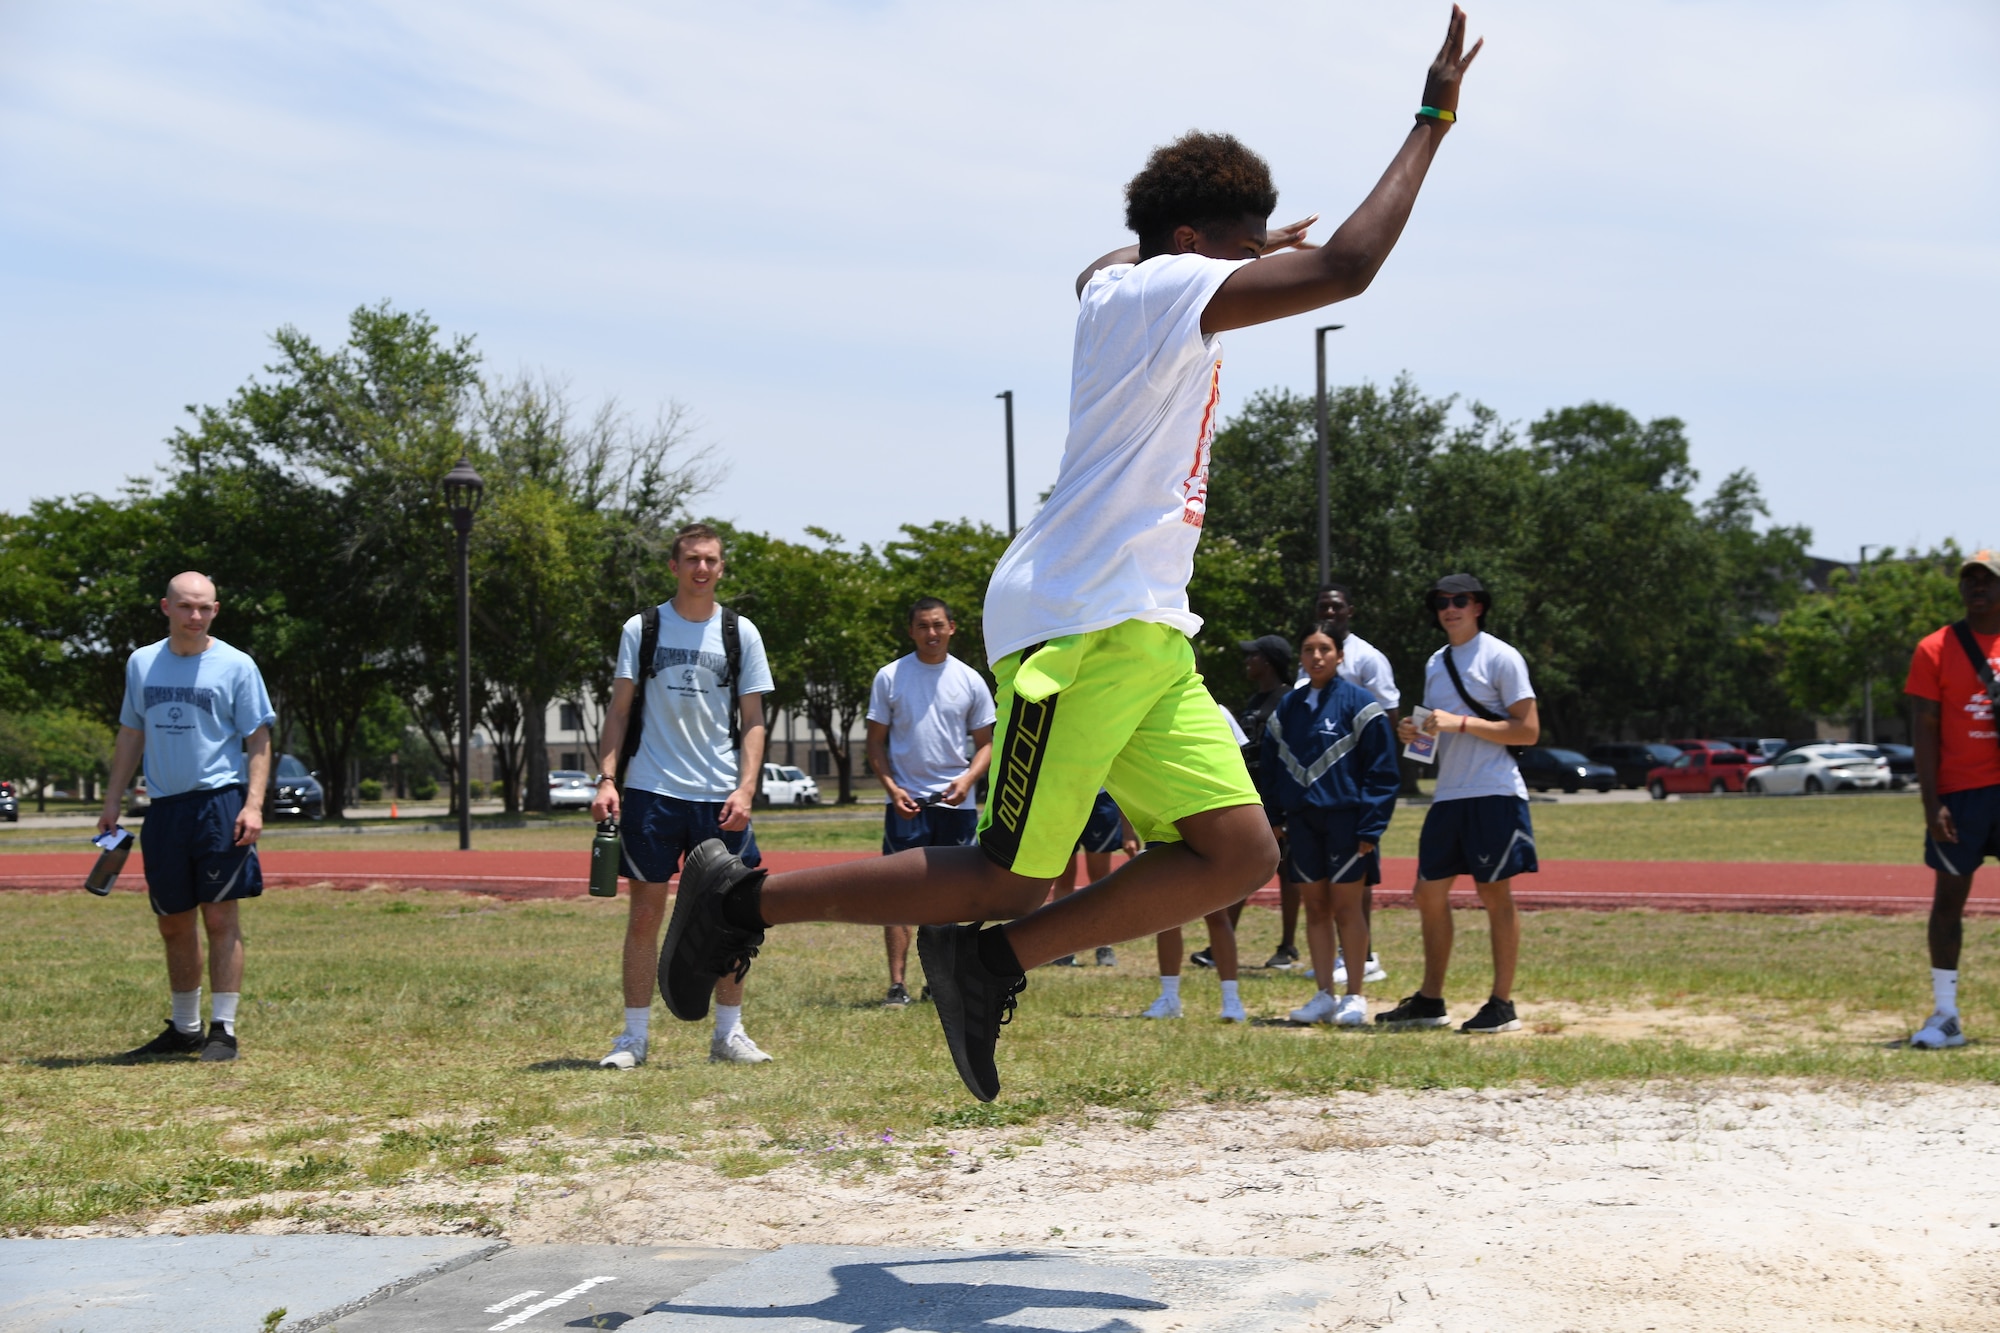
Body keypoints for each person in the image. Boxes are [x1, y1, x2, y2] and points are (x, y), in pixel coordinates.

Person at [655, 9, 1483, 1101]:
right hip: (1076, 626)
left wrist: (1244, 243)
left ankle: (985, 962)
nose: (1252, 280)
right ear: (1190, 248)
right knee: (1011, 869)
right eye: (1241, 253)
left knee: (1236, 853)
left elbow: (1102, 257)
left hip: (1144, 631)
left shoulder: (1121, 282)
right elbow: (1351, 267)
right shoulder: (1158, 289)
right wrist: (1429, 120)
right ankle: (738, 897)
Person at [590, 523, 776, 1068]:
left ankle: (729, 1034)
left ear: (721, 568)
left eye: (711, 560)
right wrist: (606, 778)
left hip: (720, 796)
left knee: (734, 915)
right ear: (673, 566)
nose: (701, 568)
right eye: (692, 559)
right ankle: (633, 1038)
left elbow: (754, 719)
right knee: (646, 914)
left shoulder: (742, 634)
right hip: (651, 790)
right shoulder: (642, 628)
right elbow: (618, 712)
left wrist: (746, 788)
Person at [101, 572, 275, 1063]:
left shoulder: (237, 665)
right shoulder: (142, 663)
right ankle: (184, 1029)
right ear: (166, 608)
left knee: (220, 916)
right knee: (172, 922)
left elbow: (258, 738)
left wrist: (254, 804)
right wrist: (112, 801)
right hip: (165, 808)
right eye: (185, 607)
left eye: (203, 608)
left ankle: (223, 1029)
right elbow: (130, 733)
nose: (194, 616)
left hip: (220, 803)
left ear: (215, 610)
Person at [1387, 573, 1538, 1034]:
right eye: (1440, 602)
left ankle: (1502, 1004)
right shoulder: (1436, 662)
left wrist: (1462, 723)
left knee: (1495, 895)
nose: (1449, 608)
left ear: (1478, 606)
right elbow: (1437, 732)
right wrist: (1415, 736)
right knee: (1427, 891)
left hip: (1494, 791)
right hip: (1449, 793)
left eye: (1459, 600)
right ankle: (1431, 1001)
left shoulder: (1501, 656)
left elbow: (1528, 731)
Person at [1259, 622, 1400, 1026]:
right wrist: (1276, 818)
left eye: (1324, 649)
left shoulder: (1361, 704)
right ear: (1300, 658)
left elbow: (1383, 772)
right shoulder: (1288, 708)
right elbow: (1270, 769)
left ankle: (1354, 996)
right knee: (1315, 908)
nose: (1316, 656)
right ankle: (1323, 995)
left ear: (1340, 655)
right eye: (1308, 649)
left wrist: (1370, 827)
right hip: (1302, 825)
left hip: (1348, 825)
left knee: (1347, 908)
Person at [866, 597, 997, 1005]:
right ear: (911, 631)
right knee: (896, 893)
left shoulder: (970, 679)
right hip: (906, 804)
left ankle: (939, 982)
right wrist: (893, 789)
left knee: (952, 897)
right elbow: (874, 744)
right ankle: (897, 984)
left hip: (955, 806)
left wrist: (969, 780)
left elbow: (986, 745)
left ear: (952, 627)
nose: (931, 633)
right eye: (922, 626)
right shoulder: (890, 677)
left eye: (938, 625)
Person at [1905, 550, 2000, 1049]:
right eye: (1970, 579)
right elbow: (1924, 730)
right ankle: (1946, 1015)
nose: (1978, 587)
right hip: (1960, 795)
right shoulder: (1935, 648)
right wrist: (1930, 800)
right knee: (1948, 901)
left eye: (1988, 579)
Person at [1301, 583, 1402, 987]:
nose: (1330, 610)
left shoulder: (1368, 657)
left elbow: (1388, 714)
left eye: (1336, 606)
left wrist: (1370, 772)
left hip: (1350, 783)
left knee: (1354, 878)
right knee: (1321, 883)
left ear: (1350, 611)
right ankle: (1333, 955)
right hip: (1314, 787)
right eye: (1323, 604)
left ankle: (1364, 953)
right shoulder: (1312, 650)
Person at [1046, 791, 1139, 968]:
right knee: (1064, 879)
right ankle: (1062, 948)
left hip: (1100, 800)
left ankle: (1104, 945)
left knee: (1100, 880)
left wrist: (1127, 831)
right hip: (1064, 797)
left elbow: (1120, 780)